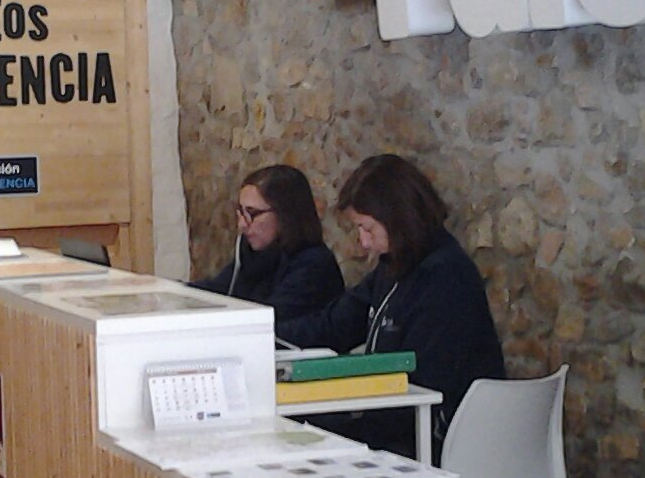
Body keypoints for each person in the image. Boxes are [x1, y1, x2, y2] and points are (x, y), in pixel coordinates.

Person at [277, 154, 505, 460]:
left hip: (435, 435)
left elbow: (424, 386)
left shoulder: (446, 278)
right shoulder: (395, 266)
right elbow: (337, 323)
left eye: (368, 229)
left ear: (398, 219)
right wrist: (267, 337)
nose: (363, 243)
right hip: (394, 418)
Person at [191, 164, 343, 322]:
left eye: (252, 214)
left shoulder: (313, 266)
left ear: (285, 214)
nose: (242, 224)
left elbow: (269, 319)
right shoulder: (253, 255)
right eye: (241, 212)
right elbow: (219, 289)